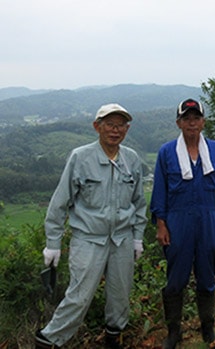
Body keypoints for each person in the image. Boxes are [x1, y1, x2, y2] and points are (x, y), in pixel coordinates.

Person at [35, 103, 148, 349]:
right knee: (79, 296)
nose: (115, 130)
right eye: (109, 124)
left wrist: (137, 237)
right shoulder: (81, 157)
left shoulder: (131, 159)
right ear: (97, 127)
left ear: (127, 129)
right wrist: (52, 243)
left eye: (120, 125)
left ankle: (113, 337)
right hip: (88, 239)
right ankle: (48, 340)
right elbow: (59, 203)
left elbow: (139, 203)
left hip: (122, 239)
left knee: (120, 297)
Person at [150, 98, 215, 349]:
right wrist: (161, 223)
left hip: (208, 217)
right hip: (178, 219)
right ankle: (173, 331)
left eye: (196, 118)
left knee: (207, 274)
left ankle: (207, 327)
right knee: (176, 276)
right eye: (186, 118)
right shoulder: (167, 152)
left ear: (203, 121)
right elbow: (160, 190)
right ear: (179, 122)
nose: (192, 122)